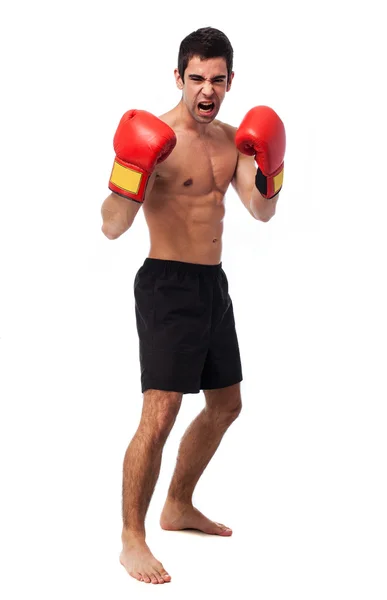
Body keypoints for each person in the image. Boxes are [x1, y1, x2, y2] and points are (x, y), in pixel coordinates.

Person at [100, 27, 286, 585]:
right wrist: (132, 173)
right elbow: (110, 227)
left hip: (213, 286)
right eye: (197, 78)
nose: (208, 90)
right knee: (159, 416)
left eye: (218, 79)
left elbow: (261, 212)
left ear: (231, 82)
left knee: (227, 405)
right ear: (179, 78)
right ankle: (132, 537)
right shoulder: (155, 137)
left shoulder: (234, 141)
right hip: (166, 285)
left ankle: (177, 503)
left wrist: (270, 167)